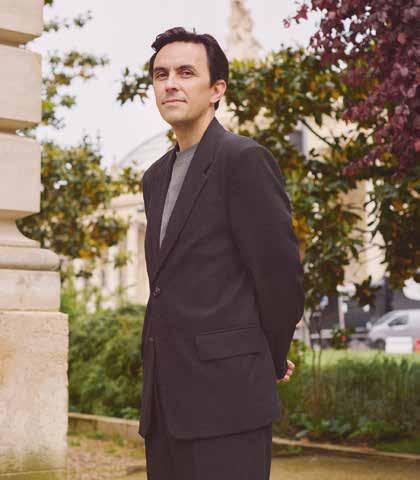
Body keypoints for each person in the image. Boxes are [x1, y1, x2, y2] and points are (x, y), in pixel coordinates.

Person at [138, 26, 304, 480]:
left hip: (229, 403)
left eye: (185, 73)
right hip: (164, 407)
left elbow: (281, 277)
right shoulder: (154, 178)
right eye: (161, 75)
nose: (170, 84)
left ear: (216, 90)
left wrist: (268, 355)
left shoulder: (243, 160)